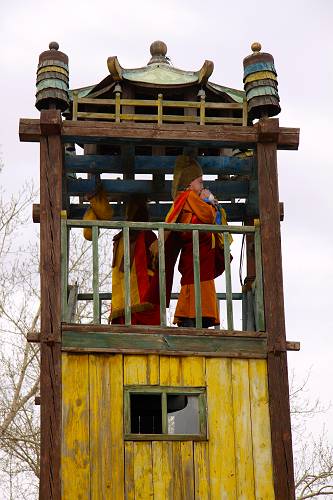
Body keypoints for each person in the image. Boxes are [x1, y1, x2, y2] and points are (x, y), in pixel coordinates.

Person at [164, 155, 231, 328]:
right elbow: (208, 216)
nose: (202, 186)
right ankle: (191, 317)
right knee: (194, 289)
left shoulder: (189, 198)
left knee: (198, 287)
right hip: (195, 257)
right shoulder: (187, 196)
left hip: (200, 259)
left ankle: (197, 317)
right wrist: (209, 201)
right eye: (200, 182)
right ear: (189, 183)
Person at [83, 187, 160, 325]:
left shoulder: (120, 238)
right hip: (144, 300)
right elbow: (159, 259)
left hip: (121, 303)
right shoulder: (148, 235)